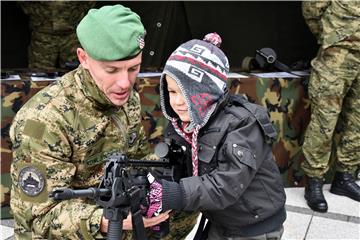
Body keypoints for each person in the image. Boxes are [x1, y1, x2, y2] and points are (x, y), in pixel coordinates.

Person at [10, 5, 171, 239]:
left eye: (133, 68)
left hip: (116, 214)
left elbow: (138, 161)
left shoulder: (127, 99)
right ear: (83, 58)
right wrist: (105, 221)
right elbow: (39, 217)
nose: (125, 83)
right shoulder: (44, 121)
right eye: (112, 70)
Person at [145, 33, 287, 240]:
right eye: (172, 92)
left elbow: (226, 185)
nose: (177, 102)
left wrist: (175, 194)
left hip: (254, 228)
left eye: (186, 93)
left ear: (208, 92)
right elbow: (179, 164)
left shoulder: (243, 124)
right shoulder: (185, 123)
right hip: (221, 219)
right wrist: (152, 181)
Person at [301, 1, 360, 213]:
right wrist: (331, 37)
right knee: (324, 121)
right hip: (337, 55)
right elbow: (312, 9)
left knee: (357, 122)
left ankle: (345, 176)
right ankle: (314, 181)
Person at [18, 1, 96, 70]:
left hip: (71, 35)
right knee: (40, 74)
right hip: (43, 35)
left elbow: (89, 3)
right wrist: (37, 13)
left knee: (75, 73)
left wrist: (76, 15)